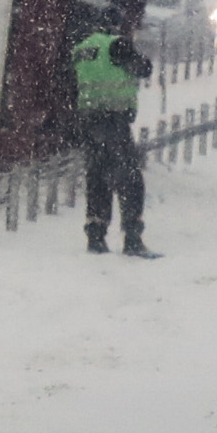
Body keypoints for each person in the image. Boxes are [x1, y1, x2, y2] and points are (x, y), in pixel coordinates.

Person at [74, 21, 155, 257]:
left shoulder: (81, 49)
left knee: (97, 175)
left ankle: (96, 235)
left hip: (89, 121)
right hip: (114, 120)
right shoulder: (116, 45)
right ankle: (132, 236)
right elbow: (144, 68)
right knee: (129, 177)